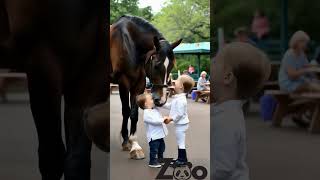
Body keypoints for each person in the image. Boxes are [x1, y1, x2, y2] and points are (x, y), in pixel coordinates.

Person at [211, 42, 271, 180]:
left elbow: (222, 168)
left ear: (227, 77)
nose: (211, 62)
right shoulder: (224, 113)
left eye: (215, 61)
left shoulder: (226, 121)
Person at [162, 75, 195, 166]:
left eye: (176, 81)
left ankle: (182, 160)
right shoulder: (178, 97)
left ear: (181, 86)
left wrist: (171, 118)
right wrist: (161, 104)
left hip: (181, 124)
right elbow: (170, 106)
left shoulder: (181, 100)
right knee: (180, 141)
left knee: (181, 142)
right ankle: (182, 158)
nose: (174, 82)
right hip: (180, 124)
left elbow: (179, 114)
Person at [136, 93, 168, 168]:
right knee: (154, 150)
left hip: (159, 135)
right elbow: (155, 121)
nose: (153, 99)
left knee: (162, 148)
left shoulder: (154, 109)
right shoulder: (147, 113)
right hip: (153, 137)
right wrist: (163, 119)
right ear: (146, 103)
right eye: (151, 99)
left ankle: (160, 159)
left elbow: (160, 106)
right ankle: (152, 161)